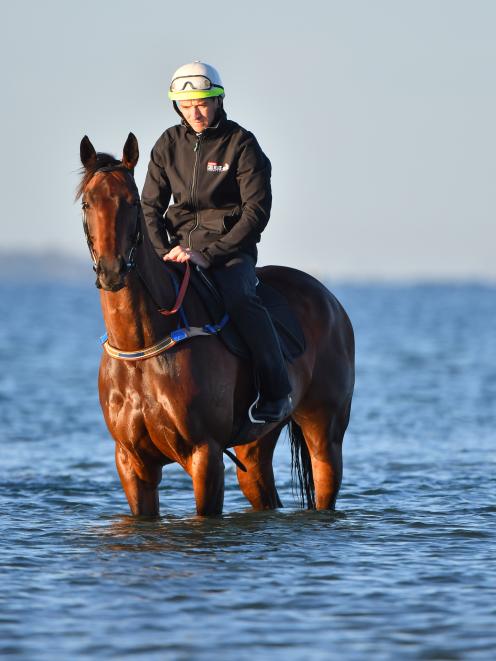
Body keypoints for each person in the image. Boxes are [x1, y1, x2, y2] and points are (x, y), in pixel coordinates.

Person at [141, 61, 292, 423]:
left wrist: (210, 254)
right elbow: (149, 206)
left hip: (229, 253)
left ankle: (277, 391)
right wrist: (164, 252)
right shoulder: (167, 144)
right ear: (176, 105)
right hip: (177, 251)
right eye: (186, 103)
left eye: (203, 102)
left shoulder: (242, 144)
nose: (195, 111)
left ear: (219, 100)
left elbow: (256, 212)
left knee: (240, 300)